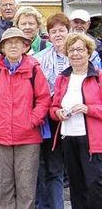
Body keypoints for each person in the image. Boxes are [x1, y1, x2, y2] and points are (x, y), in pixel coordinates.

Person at [0, 27, 51, 209]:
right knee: (3, 187)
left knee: (26, 189)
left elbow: (44, 99)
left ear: (25, 47)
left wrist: (32, 121)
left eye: (18, 42)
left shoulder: (34, 70)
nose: (14, 46)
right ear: (2, 47)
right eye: (9, 42)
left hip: (28, 138)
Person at [50, 33, 102, 209]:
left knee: (95, 186)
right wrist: (58, 113)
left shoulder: (99, 77)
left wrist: (88, 109)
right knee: (76, 186)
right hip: (68, 137)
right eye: (71, 50)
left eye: (80, 49)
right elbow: (52, 107)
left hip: (92, 140)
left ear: (89, 52)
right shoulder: (62, 78)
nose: (75, 53)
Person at [34, 14, 70, 209]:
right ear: (48, 34)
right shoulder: (39, 59)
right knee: (51, 168)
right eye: (53, 31)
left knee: (80, 167)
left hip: (78, 120)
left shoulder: (80, 54)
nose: (57, 34)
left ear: (68, 31)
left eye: (61, 30)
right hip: (51, 119)